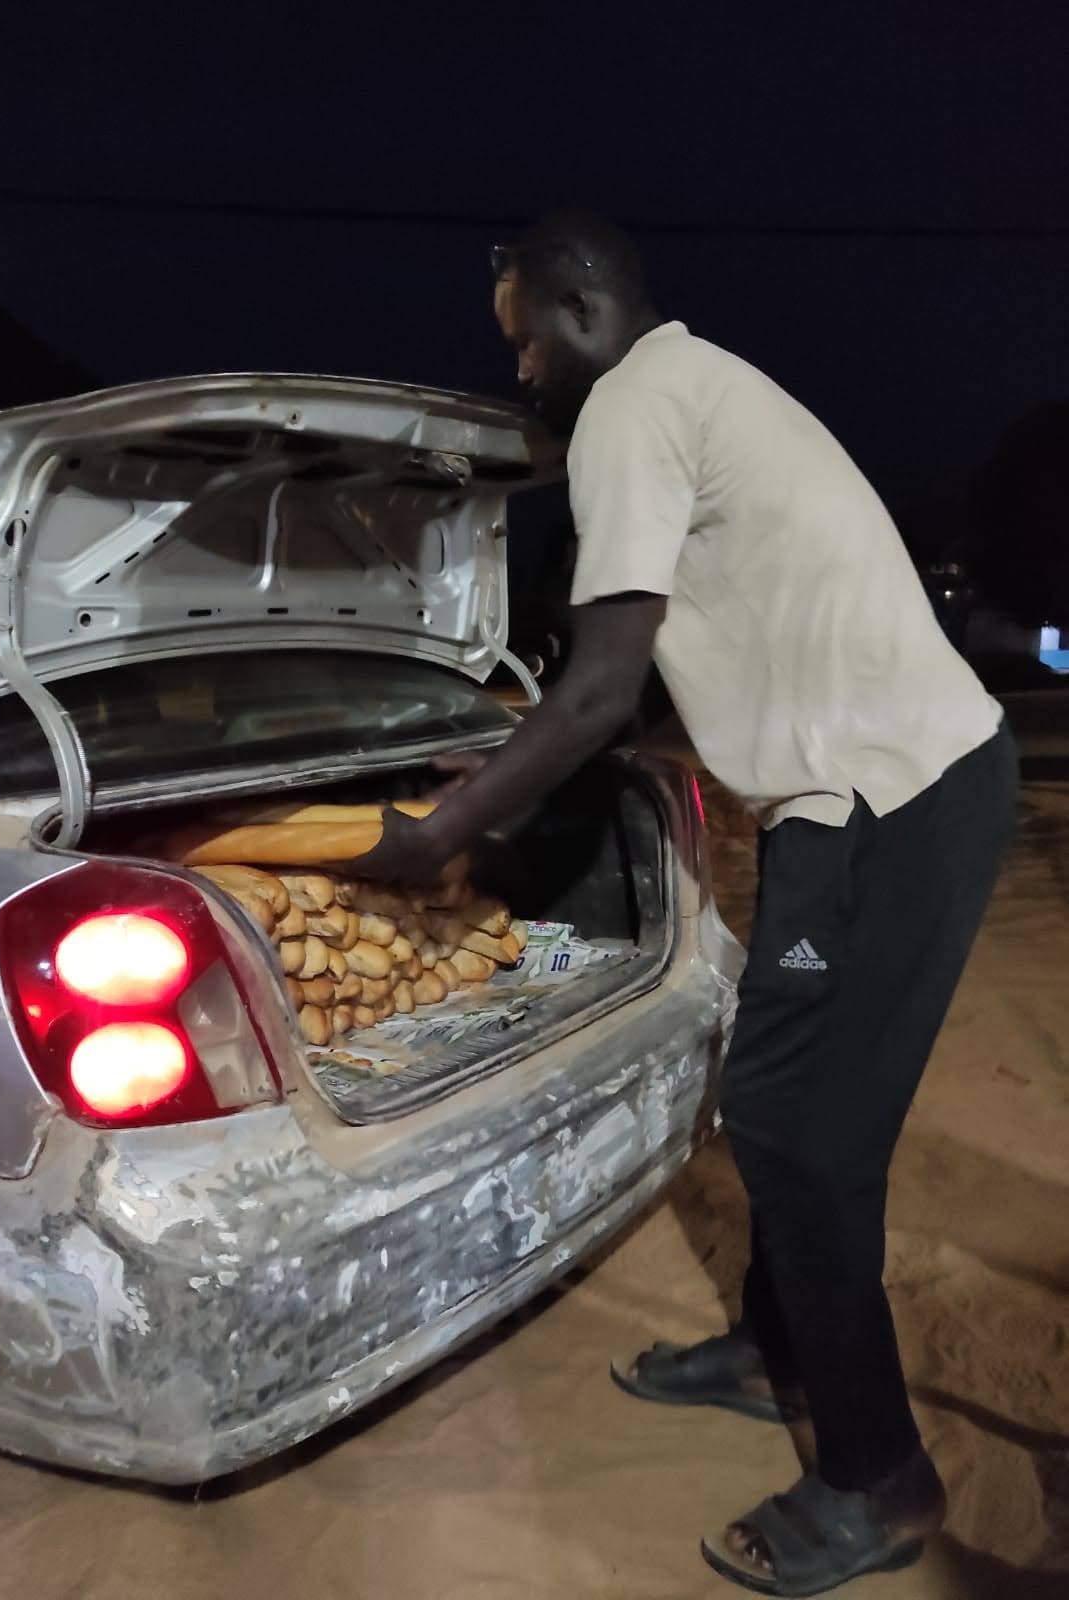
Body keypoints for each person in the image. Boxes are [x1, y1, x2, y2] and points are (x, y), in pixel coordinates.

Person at [354, 213, 1016, 1596]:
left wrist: (438, 836)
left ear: (585, 305)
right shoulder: (696, 388)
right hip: (844, 809)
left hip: (888, 808)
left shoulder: (634, 409)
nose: (525, 367)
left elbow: (599, 686)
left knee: (797, 1128)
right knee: (779, 1100)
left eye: (527, 334)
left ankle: (876, 1476)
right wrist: (496, 771)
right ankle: (780, 1346)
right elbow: (634, 689)